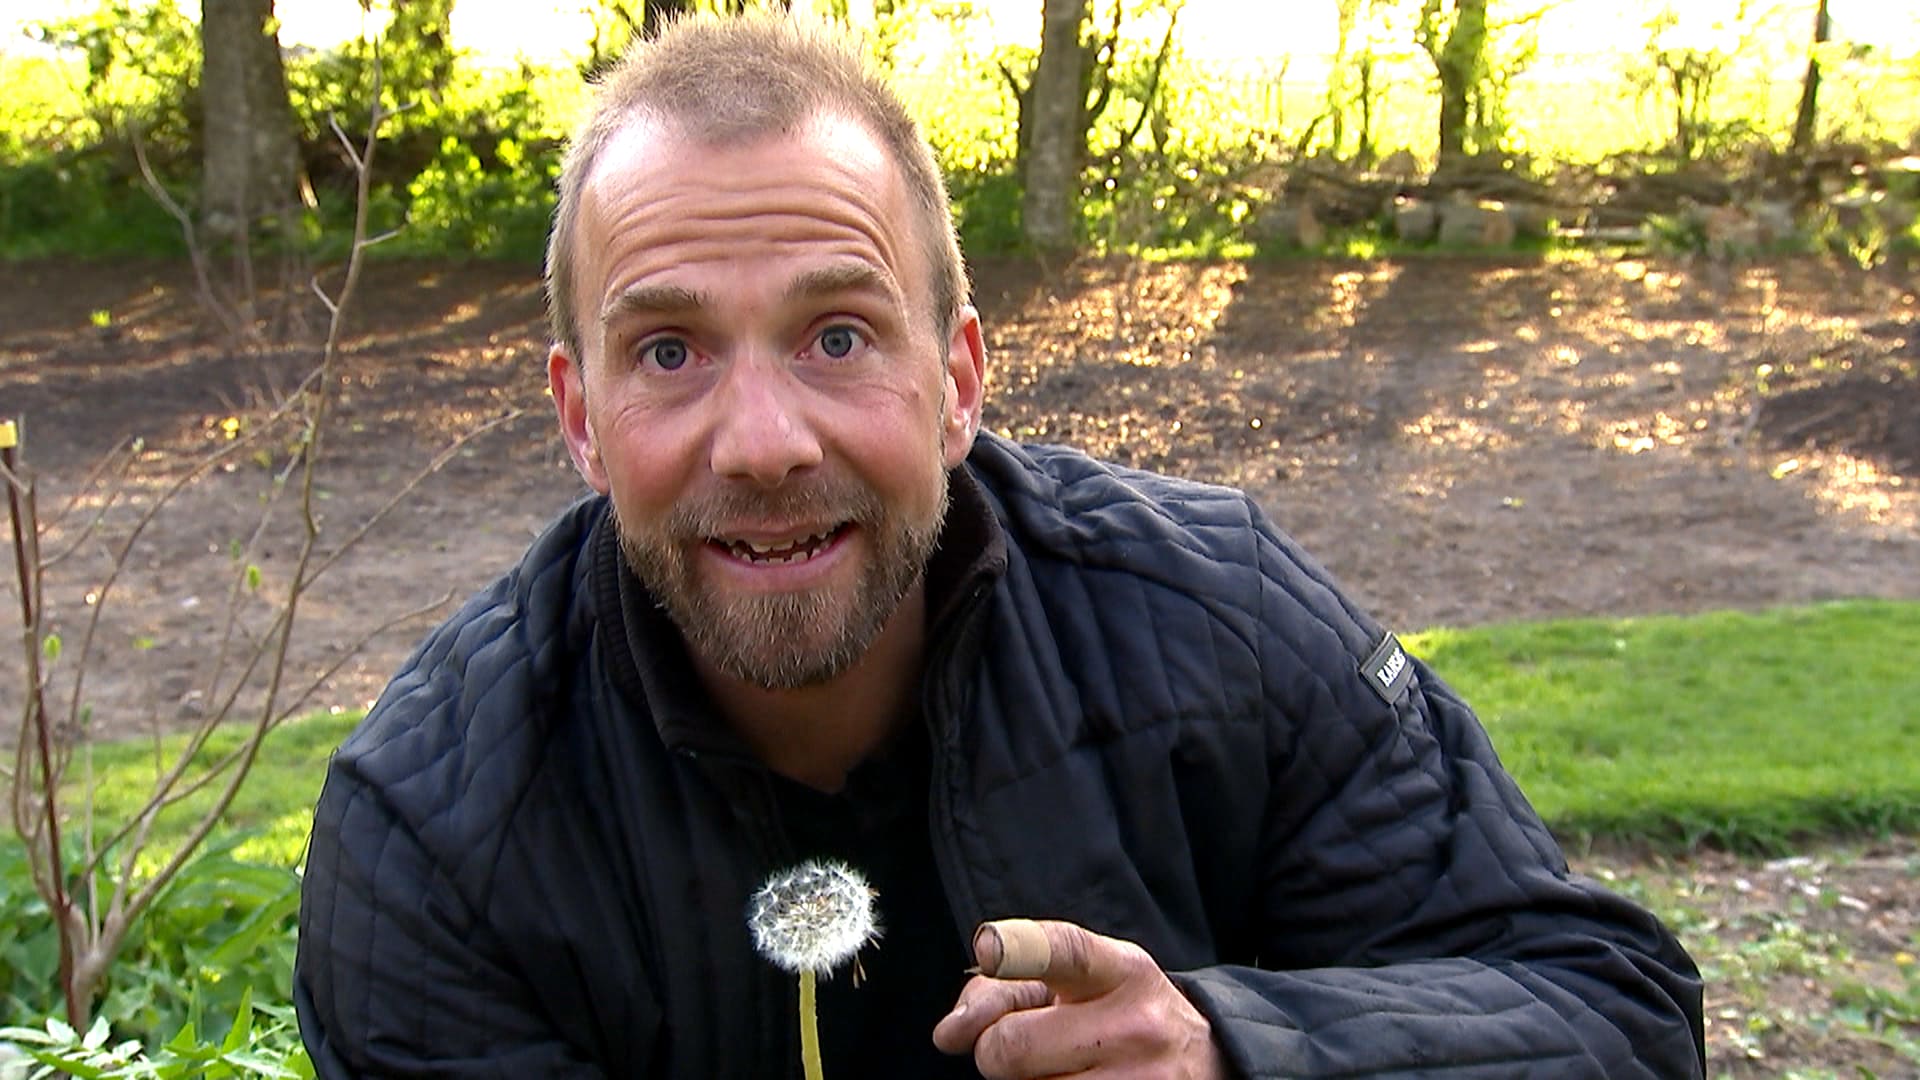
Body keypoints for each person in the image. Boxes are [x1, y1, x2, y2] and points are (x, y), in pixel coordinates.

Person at [294, 13, 1705, 1079]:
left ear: (960, 380)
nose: (764, 443)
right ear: (581, 419)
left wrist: (1234, 1049)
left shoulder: (1215, 626)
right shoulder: (439, 834)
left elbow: (1611, 1013)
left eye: (838, 336)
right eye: (669, 351)